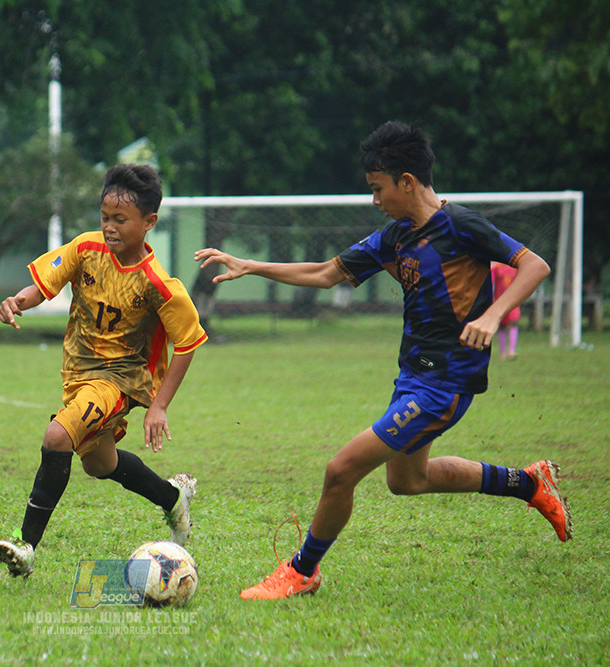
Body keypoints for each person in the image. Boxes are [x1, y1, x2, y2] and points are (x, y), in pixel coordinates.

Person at [195, 121, 572, 601]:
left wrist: (496, 315)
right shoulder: (394, 237)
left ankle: (302, 570)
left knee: (341, 470)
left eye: (378, 188)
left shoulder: (460, 225)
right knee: (408, 480)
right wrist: (251, 266)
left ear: (407, 181)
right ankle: (527, 482)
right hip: (413, 378)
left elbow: (533, 264)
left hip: (444, 384)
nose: (375, 199)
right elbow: (327, 273)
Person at [0, 164, 208, 578]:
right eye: (105, 217)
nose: (109, 227)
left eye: (120, 220)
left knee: (58, 437)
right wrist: (18, 302)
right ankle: (172, 497)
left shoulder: (158, 284)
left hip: (120, 379)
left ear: (149, 222)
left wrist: (159, 406)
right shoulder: (86, 248)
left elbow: (188, 343)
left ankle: (27, 547)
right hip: (79, 375)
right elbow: (44, 284)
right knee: (99, 464)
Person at [491, 261, 520, 359]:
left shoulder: (515, 266)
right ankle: (503, 353)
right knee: (502, 325)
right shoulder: (496, 267)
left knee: (513, 322)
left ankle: (512, 351)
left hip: (513, 299)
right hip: (499, 299)